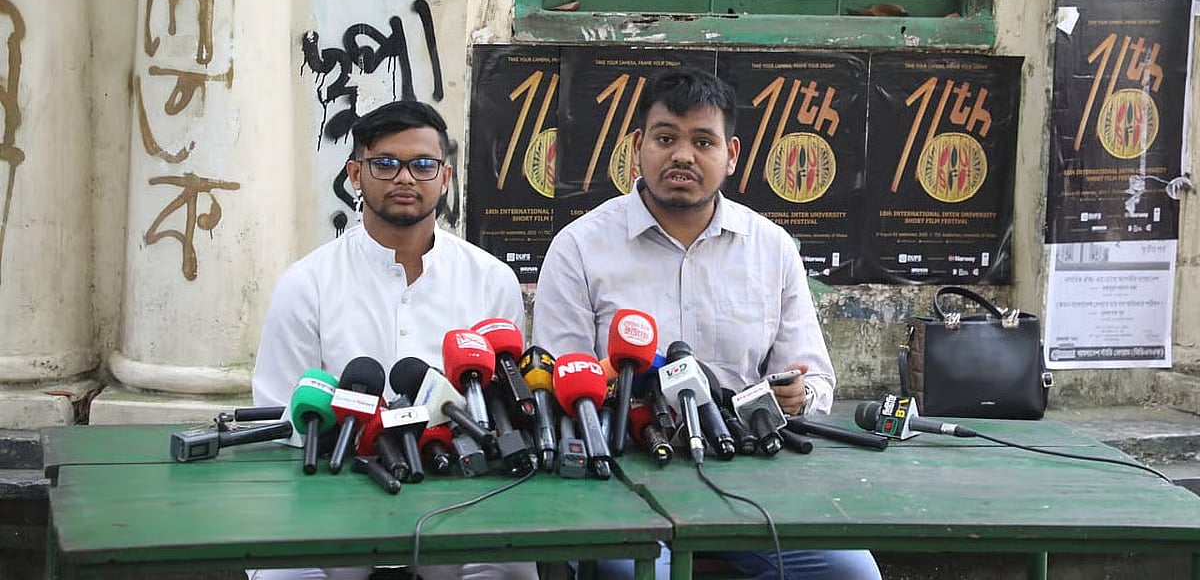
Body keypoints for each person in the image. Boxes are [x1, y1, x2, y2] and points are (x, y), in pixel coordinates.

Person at [532, 66, 881, 580]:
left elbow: (817, 380)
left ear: (731, 154)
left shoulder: (771, 248)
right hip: (622, 475)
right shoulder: (580, 247)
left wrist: (798, 396)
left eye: (703, 141)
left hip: (749, 471)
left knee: (851, 573)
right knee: (630, 574)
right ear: (638, 146)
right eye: (666, 138)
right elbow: (563, 380)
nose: (683, 156)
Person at [250, 100, 538, 580]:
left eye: (423, 165)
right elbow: (284, 416)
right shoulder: (307, 283)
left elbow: (501, 410)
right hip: (331, 498)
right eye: (385, 163)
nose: (405, 178)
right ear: (355, 175)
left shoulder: (491, 281)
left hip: (461, 499)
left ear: (445, 179)